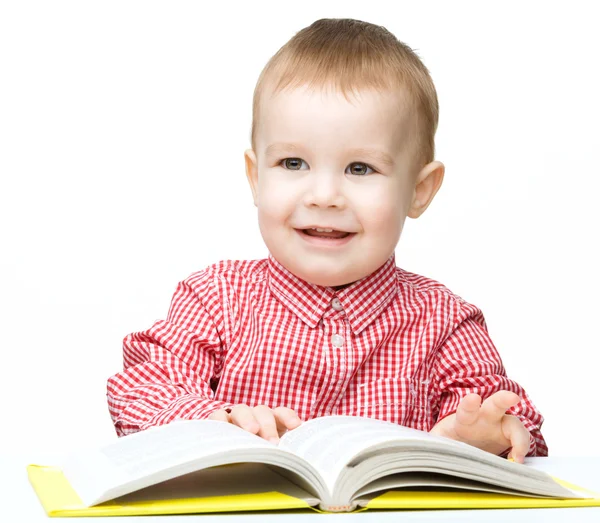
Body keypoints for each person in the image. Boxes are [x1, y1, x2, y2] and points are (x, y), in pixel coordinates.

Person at [107, 18, 547, 463]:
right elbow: (143, 389)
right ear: (256, 177)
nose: (323, 196)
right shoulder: (215, 298)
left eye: (360, 169)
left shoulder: (443, 321)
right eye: (293, 162)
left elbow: (506, 416)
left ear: (419, 190)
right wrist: (214, 420)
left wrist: (480, 435)